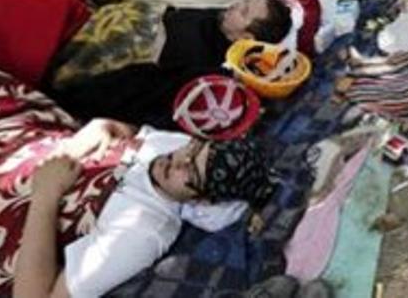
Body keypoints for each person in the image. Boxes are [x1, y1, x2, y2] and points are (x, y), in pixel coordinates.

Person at [14, 122, 274, 298]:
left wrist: (45, 194)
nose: (178, 160)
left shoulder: (141, 234)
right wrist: (98, 131)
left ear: (202, 201)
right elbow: (121, 130)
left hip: (19, 222)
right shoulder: (175, 147)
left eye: (192, 171)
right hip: (40, 157)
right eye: (194, 148)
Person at [51, 0, 294, 127]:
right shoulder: (215, 16)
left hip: (123, 42)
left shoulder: (206, 68)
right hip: (119, 14)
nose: (236, 4)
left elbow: (138, 86)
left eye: (244, 11)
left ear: (246, 37)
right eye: (245, 1)